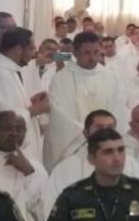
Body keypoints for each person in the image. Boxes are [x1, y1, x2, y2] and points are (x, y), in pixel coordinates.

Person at [45, 32, 127, 170]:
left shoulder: (111, 77)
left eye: (96, 52)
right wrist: (86, 136)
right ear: (75, 53)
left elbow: (118, 109)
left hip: (106, 147)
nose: (93, 57)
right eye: (87, 53)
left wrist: (104, 136)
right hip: (73, 150)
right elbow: (58, 114)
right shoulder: (61, 79)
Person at [44, 110, 139, 213]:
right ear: (86, 133)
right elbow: (51, 209)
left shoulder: (130, 164)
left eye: (110, 128)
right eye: (99, 128)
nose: (105, 132)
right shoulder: (64, 169)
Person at [0, 27, 49, 161]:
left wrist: (28, 102)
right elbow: (1, 120)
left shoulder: (8, 70)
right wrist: (33, 111)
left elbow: (9, 104)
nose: (34, 53)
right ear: (18, 49)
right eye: (31, 49)